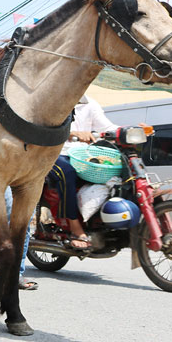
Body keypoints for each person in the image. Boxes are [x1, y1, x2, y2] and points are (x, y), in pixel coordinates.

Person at [49, 94, 117, 250]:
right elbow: (45, 127)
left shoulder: (90, 104)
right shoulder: (54, 99)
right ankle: (74, 226)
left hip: (83, 155)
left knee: (113, 170)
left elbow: (108, 128)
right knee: (68, 172)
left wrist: (131, 130)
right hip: (53, 153)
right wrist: (72, 134)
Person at [0, 186, 38, 290]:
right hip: (1, 173)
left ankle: (15, 273)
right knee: (8, 215)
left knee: (24, 221)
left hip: (28, 173)